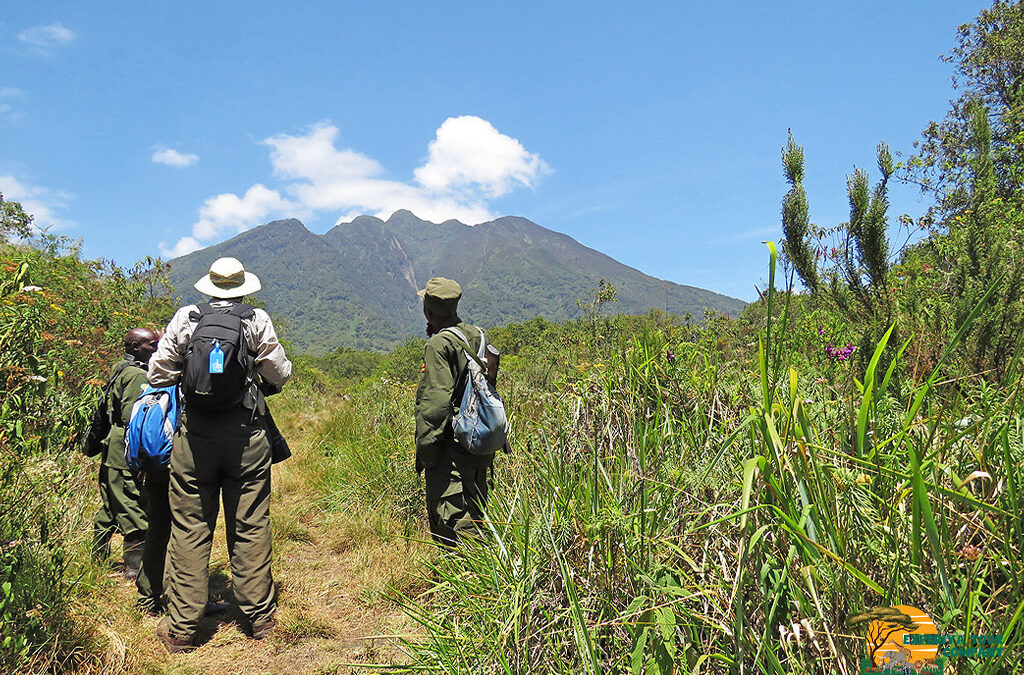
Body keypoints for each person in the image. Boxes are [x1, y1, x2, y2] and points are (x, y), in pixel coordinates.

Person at [147, 257, 291, 653]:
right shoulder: (255, 319)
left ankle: (181, 630)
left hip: (195, 438)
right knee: (250, 522)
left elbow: (158, 373)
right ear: (244, 287)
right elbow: (278, 373)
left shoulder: (187, 317)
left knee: (190, 527)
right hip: (246, 436)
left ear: (208, 287)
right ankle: (259, 619)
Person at [415, 277, 494, 546]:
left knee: (453, 524)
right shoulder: (478, 335)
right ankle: (488, 576)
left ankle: (465, 584)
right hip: (479, 445)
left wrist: (426, 453)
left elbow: (435, 408)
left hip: (450, 452)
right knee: (477, 511)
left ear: (428, 310)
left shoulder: (439, 345)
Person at [93, 328, 160, 579]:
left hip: (113, 449)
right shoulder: (136, 376)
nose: (155, 349)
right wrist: (141, 456)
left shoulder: (120, 368)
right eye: (151, 345)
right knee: (133, 506)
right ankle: (135, 566)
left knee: (111, 505)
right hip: (125, 450)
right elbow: (135, 418)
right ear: (134, 347)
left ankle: (97, 560)